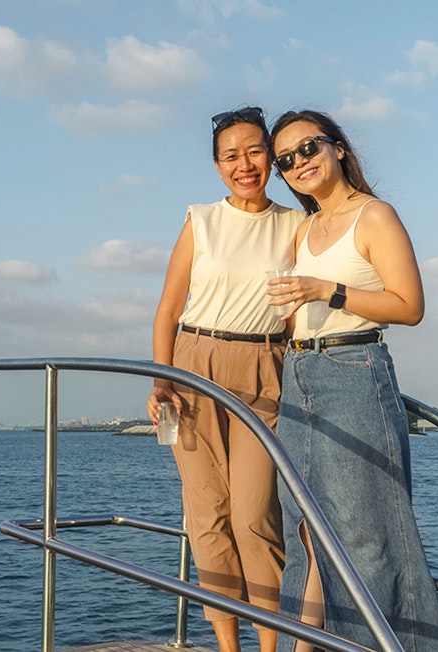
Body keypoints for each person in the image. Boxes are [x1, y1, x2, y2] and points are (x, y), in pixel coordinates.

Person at [265, 109, 438, 651]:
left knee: (367, 539)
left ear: (338, 148)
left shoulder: (374, 216)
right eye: (286, 160)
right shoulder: (304, 227)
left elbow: (410, 306)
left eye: (308, 148)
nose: (298, 162)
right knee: (306, 531)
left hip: (353, 371)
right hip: (298, 372)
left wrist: (327, 290)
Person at [147, 105, 305, 652]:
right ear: (217, 165)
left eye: (255, 151)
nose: (245, 164)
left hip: (266, 366)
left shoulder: (295, 224)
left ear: (272, 158)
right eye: (231, 155)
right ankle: (227, 647)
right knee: (207, 517)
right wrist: (161, 381)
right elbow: (168, 310)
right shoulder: (200, 219)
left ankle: (270, 646)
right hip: (192, 368)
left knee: (255, 514)